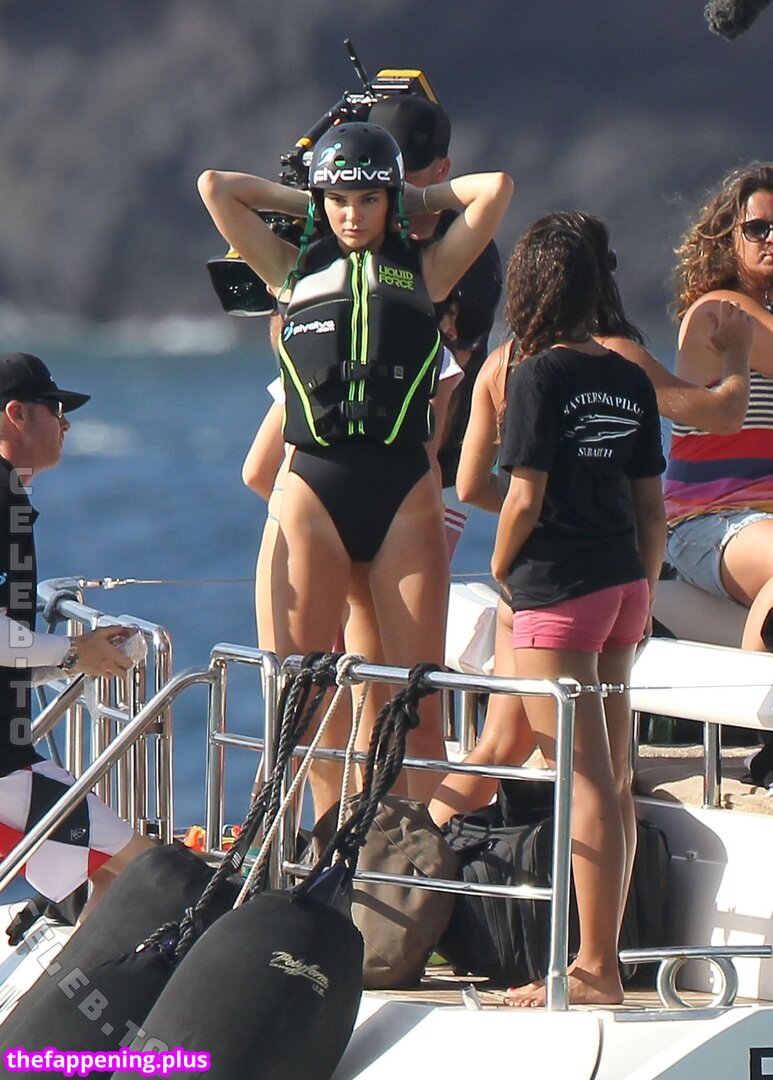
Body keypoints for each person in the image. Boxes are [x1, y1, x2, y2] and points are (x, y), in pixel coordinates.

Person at [198, 123, 513, 814]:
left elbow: (493, 190)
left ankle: (408, 858)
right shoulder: (290, 269)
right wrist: (313, 196)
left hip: (404, 495)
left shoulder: (429, 271)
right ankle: (315, 841)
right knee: (302, 700)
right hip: (313, 487)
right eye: (339, 201)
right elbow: (216, 187)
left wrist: (408, 197)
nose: (351, 215)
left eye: (368, 200)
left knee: (412, 703)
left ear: (389, 202)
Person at [428, 210, 752, 827]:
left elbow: (469, 484)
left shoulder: (502, 363)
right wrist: (736, 355)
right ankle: (600, 891)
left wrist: (544, 508)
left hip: (527, 582)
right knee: (601, 772)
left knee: (500, 747)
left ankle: (415, 845)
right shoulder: (616, 358)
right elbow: (720, 415)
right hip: (593, 581)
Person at [457, 220, 668, 1007]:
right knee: (612, 777)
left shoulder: (536, 374)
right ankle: (600, 959)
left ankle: (593, 969)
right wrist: (642, 586)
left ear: (528, 286)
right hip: (621, 590)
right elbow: (650, 508)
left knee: (581, 781)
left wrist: (500, 565)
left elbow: (521, 495)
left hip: (558, 592)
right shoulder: (627, 377)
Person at [0, 352, 152, 920]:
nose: (65, 422)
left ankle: (85, 976)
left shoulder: (11, 495)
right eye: (55, 408)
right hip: (7, 772)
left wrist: (75, 660)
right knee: (154, 875)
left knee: (116, 878)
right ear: (17, 414)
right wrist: (73, 650)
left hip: (14, 764)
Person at [368, 94, 503, 557]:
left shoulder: (467, 249)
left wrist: (420, 200)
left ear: (442, 169)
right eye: (385, 170)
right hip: (360, 451)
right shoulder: (356, 236)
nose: (396, 183)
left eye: (409, 172)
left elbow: (453, 373)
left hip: (439, 463)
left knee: (410, 581)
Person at [665, 163, 773, 653]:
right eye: (757, 228)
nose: (771, 238)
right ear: (729, 238)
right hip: (712, 520)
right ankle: (756, 702)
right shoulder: (721, 312)